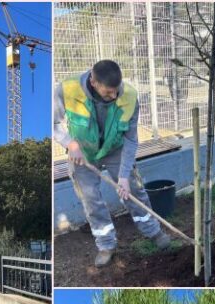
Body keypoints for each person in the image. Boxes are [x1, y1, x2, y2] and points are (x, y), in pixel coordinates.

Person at [54, 60, 170, 267]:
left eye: (116, 90)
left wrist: (123, 176)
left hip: (115, 148)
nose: (114, 96)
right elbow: (51, 122)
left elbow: (131, 139)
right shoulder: (68, 89)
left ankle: (153, 231)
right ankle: (106, 244)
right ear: (93, 81)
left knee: (134, 189)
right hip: (82, 152)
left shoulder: (130, 96)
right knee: (90, 199)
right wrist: (69, 143)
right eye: (108, 92)